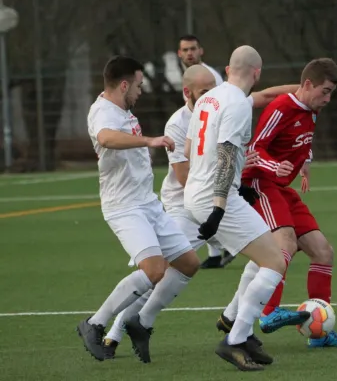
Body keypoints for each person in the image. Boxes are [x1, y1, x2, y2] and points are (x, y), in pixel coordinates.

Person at [101, 65, 299, 359]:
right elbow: (185, 176)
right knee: (158, 272)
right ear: (188, 93)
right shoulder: (177, 124)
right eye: (205, 91)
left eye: (214, 88)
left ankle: (234, 320)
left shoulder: (222, 103)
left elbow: (264, 95)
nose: (211, 95)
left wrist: (306, 89)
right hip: (186, 207)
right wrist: (236, 171)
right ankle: (113, 334)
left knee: (269, 250)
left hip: (215, 199)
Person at [217, 58, 337, 348]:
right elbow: (257, 148)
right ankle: (268, 313)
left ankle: (319, 333)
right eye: (325, 91)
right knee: (285, 243)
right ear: (308, 85)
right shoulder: (282, 107)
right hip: (261, 184)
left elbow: (302, 142)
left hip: (283, 189)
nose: (328, 98)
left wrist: (305, 162)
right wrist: (274, 167)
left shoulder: (312, 110)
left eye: (331, 92)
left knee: (323, 252)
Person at [76, 55, 200, 363]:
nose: (141, 91)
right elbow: (105, 137)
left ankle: (140, 322)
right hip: (124, 206)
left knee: (188, 263)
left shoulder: (121, 109)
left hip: (148, 202)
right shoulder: (103, 111)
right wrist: (149, 140)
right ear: (123, 84)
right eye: (138, 86)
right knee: (154, 270)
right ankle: (94, 324)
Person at [184, 45, 289, 371]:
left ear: (228, 69)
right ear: (257, 74)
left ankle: (238, 327)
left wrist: (237, 187)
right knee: (275, 261)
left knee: (266, 253)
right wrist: (219, 206)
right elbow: (228, 153)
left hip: (199, 190)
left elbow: (191, 149)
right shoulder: (239, 104)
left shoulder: (207, 98)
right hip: (213, 198)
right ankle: (235, 339)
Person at [177, 34, 233, 268]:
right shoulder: (188, 77)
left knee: (211, 192)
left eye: (193, 49)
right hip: (198, 140)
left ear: (202, 51)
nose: (189, 53)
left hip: (214, 142)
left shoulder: (211, 77)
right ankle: (216, 251)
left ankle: (228, 244)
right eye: (185, 50)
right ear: (179, 54)